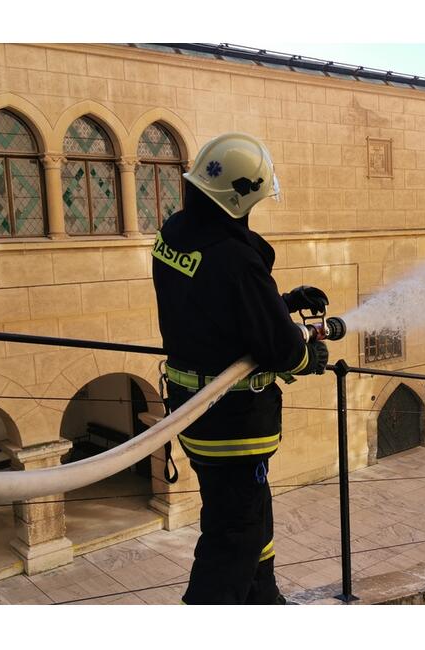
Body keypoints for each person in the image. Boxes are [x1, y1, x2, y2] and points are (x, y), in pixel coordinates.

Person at [151, 132, 330, 605]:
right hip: (233, 422)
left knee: (251, 515)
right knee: (234, 536)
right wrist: (310, 354)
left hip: (193, 409)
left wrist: (283, 302)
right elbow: (282, 352)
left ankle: (263, 598)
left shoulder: (174, 234)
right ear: (241, 199)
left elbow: (211, 306)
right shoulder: (236, 260)